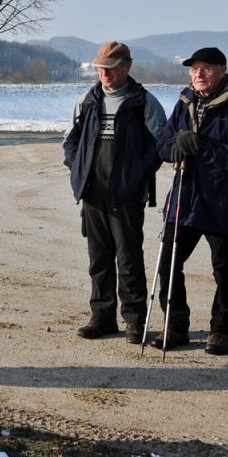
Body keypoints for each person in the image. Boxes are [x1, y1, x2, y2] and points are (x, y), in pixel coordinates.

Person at [152, 47, 228, 355]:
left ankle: (222, 330)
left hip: (224, 201)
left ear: (222, 71)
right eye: (193, 69)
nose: (198, 75)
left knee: (225, 269)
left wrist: (200, 147)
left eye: (206, 69)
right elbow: (162, 142)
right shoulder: (185, 101)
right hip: (185, 197)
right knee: (168, 263)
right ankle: (175, 326)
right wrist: (176, 148)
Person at [63, 41, 166, 343]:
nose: (104, 73)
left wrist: (136, 174)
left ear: (126, 67)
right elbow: (71, 141)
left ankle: (135, 322)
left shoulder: (144, 102)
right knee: (99, 259)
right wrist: (77, 166)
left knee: (129, 259)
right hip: (93, 194)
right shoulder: (87, 100)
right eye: (100, 68)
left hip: (127, 196)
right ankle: (102, 317)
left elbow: (159, 145)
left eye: (110, 68)